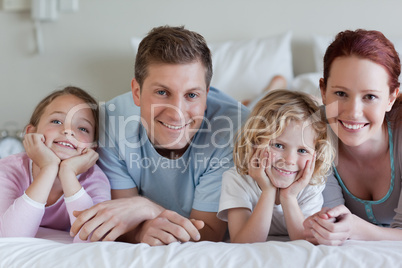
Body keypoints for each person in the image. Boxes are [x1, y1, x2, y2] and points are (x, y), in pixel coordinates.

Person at [70, 25, 249, 246]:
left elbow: (209, 233)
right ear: (137, 92)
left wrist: (146, 207)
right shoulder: (111, 122)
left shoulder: (233, 130)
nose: (177, 112)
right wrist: (139, 232)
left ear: (206, 95)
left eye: (192, 95)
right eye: (162, 92)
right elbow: (122, 219)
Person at [303, 29, 402, 245]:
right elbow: (330, 219)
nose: (353, 112)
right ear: (323, 90)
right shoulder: (312, 133)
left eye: (370, 96)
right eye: (340, 94)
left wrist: (357, 228)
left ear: (391, 98)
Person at [217, 89, 334, 243]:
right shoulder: (236, 180)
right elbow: (243, 244)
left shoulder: (311, 184)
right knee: (249, 110)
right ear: (255, 142)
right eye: (278, 145)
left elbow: (307, 244)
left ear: (316, 154)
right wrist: (268, 191)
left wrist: (289, 197)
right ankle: (266, 90)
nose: (290, 160)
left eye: (302, 150)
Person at [0, 86, 111, 242]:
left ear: (92, 148)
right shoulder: (8, 170)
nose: (68, 131)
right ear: (31, 133)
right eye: (57, 121)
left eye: (83, 128)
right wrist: (48, 168)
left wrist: (68, 172)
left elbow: (92, 238)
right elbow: (10, 237)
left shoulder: (95, 180)